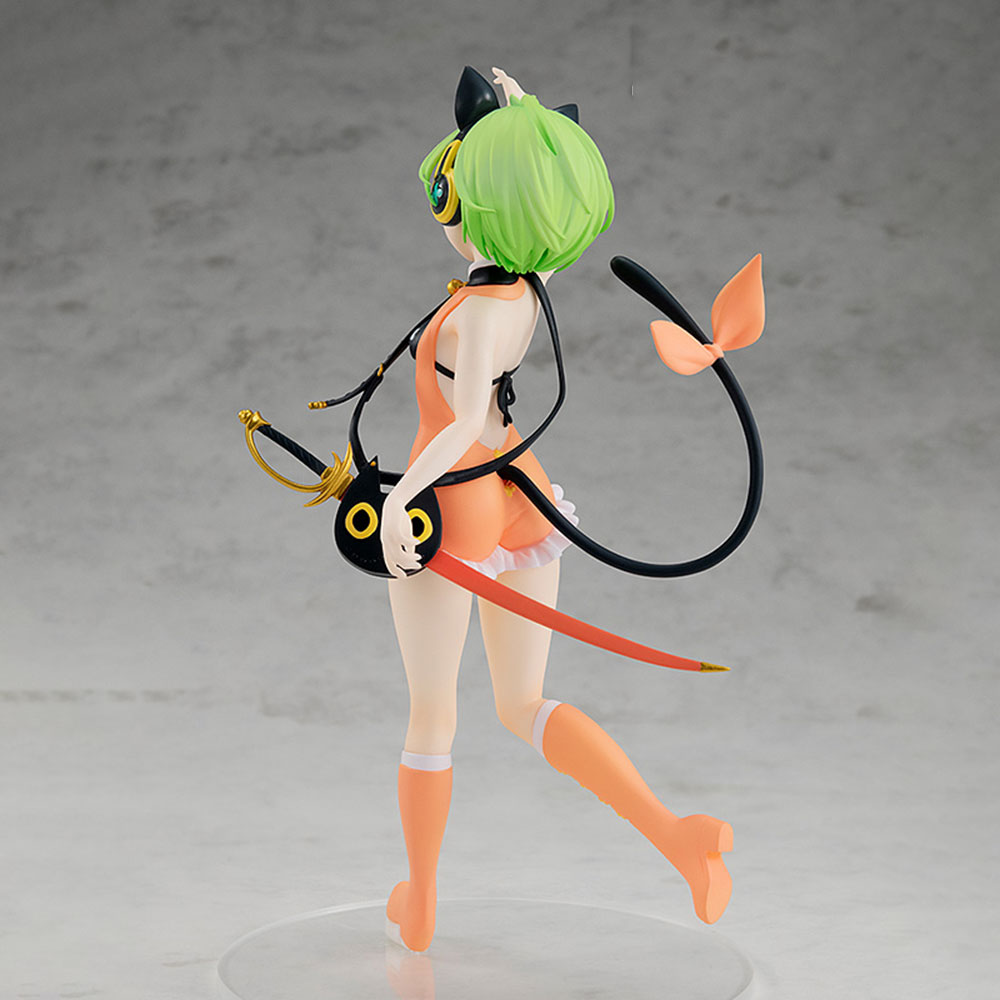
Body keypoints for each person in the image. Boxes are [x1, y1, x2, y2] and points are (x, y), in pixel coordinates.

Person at [380, 68, 734, 954]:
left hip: (457, 500)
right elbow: (536, 205)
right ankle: (674, 836)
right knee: (524, 701)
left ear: (477, 202)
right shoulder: (528, 288)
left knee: (433, 715)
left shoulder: (475, 314)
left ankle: (421, 900)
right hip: (523, 492)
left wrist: (401, 499)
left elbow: (462, 421)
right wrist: (526, 121)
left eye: (451, 187)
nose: (443, 203)